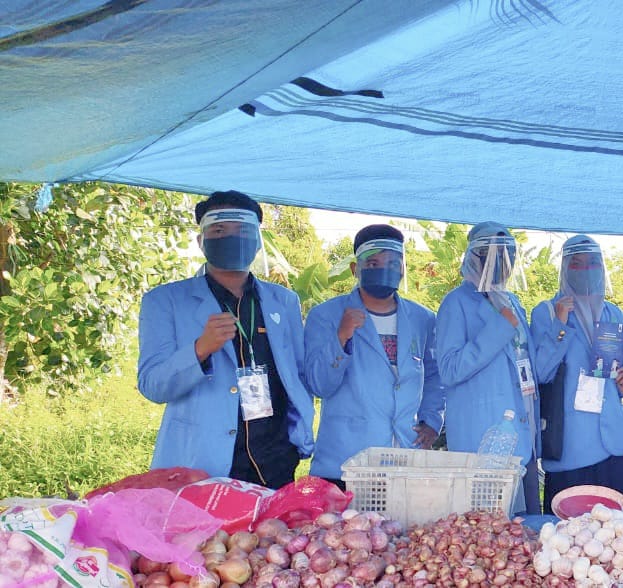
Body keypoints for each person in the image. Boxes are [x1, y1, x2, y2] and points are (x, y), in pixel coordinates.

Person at [137, 190, 314, 488]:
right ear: (201, 241)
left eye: (243, 231)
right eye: (219, 230)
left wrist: (297, 437)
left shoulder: (284, 301)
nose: (231, 238)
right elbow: (153, 385)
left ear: (257, 241)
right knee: (208, 536)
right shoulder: (165, 300)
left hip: (275, 458)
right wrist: (199, 350)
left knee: (273, 535)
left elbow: (297, 375)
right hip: (202, 460)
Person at [302, 225, 444, 488]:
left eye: (393, 263)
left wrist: (432, 421)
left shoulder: (423, 319)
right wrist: (341, 337)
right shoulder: (326, 316)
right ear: (356, 269)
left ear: (403, 269)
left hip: (403, 461)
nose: (384, 269)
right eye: (373, 262)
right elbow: (319, 385)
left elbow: (435, 376)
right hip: (344, 463)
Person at [436, 222, 544, 514]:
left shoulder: (512, 301)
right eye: (494, 256)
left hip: (523, 433)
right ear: (475, 258)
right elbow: (449, 369)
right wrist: (498, 328)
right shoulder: (455, 304)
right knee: (489, 534)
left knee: (525, 532)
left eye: (508, 256)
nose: (502, 264)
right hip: (484, 439)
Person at [530, 235, 623, 511]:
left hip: (615, 445)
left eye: (593, 263)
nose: (585, 270)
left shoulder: (613, 314)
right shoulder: (546, 312)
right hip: (571, 446)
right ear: (564, 269)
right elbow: (541, 372)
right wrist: (561, 323)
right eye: (576, 264)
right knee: (569, 535)